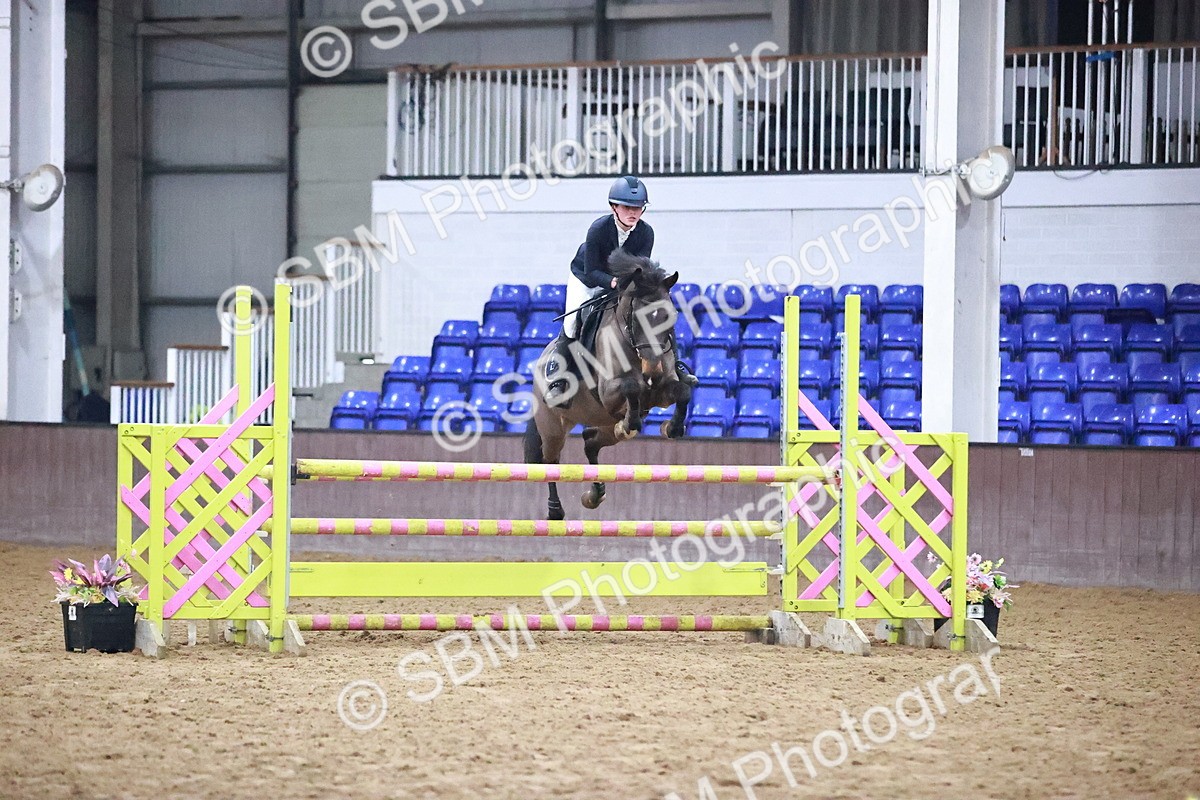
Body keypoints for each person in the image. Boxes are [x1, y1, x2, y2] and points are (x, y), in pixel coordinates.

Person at [545, 176, 696, 403]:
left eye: (637, 208)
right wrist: (613, 282)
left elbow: (641, 268)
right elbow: (592, 270)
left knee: (655, 314)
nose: (633, 212)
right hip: (587, 279)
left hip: (623, 284)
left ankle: (676, 367)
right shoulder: (598, 229)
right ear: (614, 207)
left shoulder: (646, 233)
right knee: (572, 322)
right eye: (627, 207)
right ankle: (558, 380)